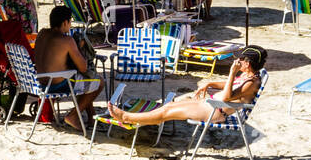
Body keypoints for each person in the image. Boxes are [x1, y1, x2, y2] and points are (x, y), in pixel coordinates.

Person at [109, 46, 266, 129]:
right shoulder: (248, 76)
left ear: (248, 63)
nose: (237, 61)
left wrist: (232, 72)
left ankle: (126, 118)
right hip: (210, 104)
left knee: (166, 112)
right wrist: (210, 83)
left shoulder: (251, 83)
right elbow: (228, 86)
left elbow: (226, 96)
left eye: (241, 59)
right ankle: (137, 118)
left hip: (216, 111)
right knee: (169, 105)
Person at [33, 5, 102, 129]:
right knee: (99, 82)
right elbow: (83, 67)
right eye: (70, 22)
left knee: (84, 81)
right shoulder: (67, 40)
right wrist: (79, 48)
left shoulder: (42, 33)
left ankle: (91, 116)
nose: (70, 25)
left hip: (39, 82)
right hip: (56, 85)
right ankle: (73, 116)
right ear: (65, 22)